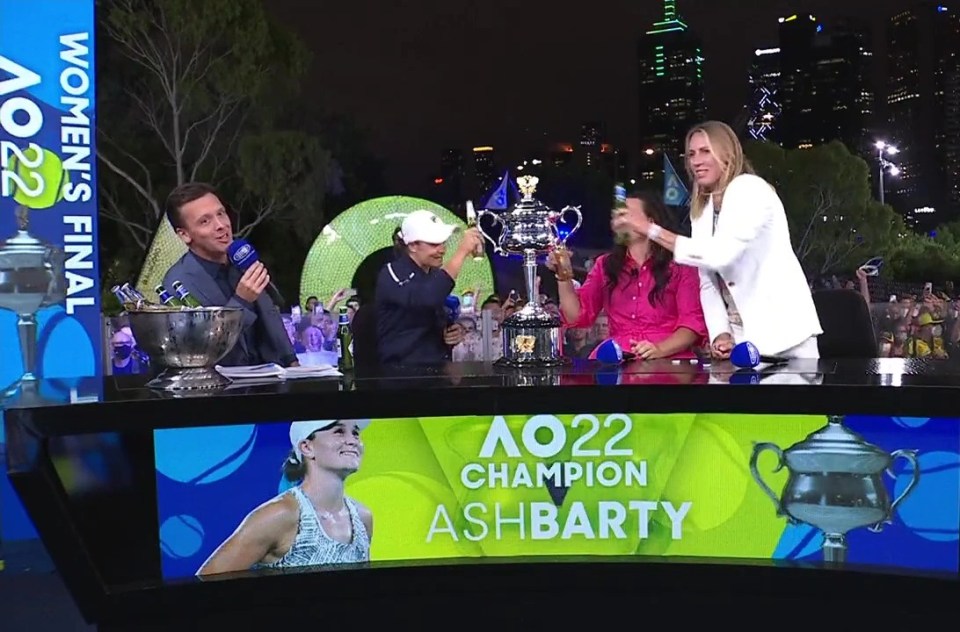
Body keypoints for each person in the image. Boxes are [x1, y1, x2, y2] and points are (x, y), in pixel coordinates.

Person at [612, 121, 822, 359]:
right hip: (743, 340)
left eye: (705, 151)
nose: (696, 161)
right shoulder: (702, 208)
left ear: (728, 153)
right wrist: (720, 332)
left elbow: (719, 255)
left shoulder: (750, 189)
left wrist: (650, 229)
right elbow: (707, 280)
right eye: (691, 154)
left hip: (785, 335)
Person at [197, 419, 372, 575]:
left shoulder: (363, 517)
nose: (352, 441)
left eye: (355, 432)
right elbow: (208, 577)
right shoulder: (280, 514)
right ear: (307, 447)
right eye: (339, 431)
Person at [549, 190, 707, 360]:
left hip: (669, 358)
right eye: (617, 216)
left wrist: (659, 350)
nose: (619, 222)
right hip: (618, 358)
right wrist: (563, 274)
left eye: (627, 215)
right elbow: (576, 317)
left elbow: (691, 325)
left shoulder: (680, 265)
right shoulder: (605, 265)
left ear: (651, 222)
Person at [162, 182, 298, 367]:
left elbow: (270, 316)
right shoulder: (177, 283)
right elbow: (201, 350)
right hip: (221, 388)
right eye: (205, 221)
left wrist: (291, 361)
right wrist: (241, 301)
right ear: (185, 235)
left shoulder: (241, 260)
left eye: (221, 213)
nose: (221, 225)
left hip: (272, 381)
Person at [375, 209, 483, 365]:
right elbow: (426, 298)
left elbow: (428, 318)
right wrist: (461, 252)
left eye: (443, 243)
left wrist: (451, 332)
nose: (442, 249)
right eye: (434, 244)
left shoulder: (433, 275)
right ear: (412, 246)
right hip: (401, 375)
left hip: (436, 370)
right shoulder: (392, 273)